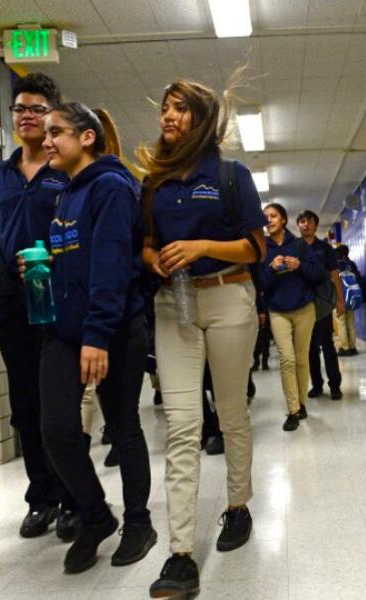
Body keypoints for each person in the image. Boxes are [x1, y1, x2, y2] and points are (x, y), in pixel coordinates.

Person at [138, 78, 266, 598]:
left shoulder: (232, 177)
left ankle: (238, 505)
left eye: (180, 109)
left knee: (232, 412)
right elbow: (146, 246)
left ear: (203, 119)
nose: (168, 116)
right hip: (175, 304)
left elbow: (255, 247)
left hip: (230, 298)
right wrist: (160, 259)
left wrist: (201, 246)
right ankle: (181, 554)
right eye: (166, 108)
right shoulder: (155, 183)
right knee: (184, 424)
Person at [34, 103, 155, 574]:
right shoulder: (66, 194)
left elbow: (109, 265)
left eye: (56, 132)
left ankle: (139, 522)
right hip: (64, 331)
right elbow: (75, 258)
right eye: (45, 133)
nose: (47, 141)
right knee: (56, 430)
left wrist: (98, 336)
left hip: (113, 329)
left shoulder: (111, 186)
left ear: (87, 137)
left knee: (123, 427)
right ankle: (96, 515)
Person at [0, 73, 80, 542]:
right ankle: (42, 498)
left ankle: (75, 497)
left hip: (59, 302)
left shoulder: (67, 170)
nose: (27, 117)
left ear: (54, 114)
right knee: (25, 406)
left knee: (61, 405)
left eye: (36, 109)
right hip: (11, 305)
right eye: (19, 109)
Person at [261, 203, 325, 431]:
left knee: (301, 359)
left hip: (304, 309)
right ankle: (293, 410)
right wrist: (270, 268)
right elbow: (259, 283)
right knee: (286, 359)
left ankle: (302, 403)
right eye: (266, 217)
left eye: (274, 215)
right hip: (278, 311)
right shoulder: (263, 249)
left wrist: (299, 266)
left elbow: (318, 274)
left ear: (284, 219)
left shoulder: (299, 245)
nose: (269, 220)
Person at [296, 210, 345, 400]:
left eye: (308, 221)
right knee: (309, 349)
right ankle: (316, 385)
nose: (305, 225)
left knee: (327, 345)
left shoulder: (325, 249)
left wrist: (340, 301)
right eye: (301, 221)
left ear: (315, 225)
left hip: (323, 304)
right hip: (302, 304)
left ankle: (335, 386)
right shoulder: (295, 247)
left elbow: (335, 276)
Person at [334, 244, 362, 356]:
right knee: (350, 322)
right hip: (351, 298)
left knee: (341, 323)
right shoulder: (351, 264)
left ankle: (344, 348)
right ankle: (352, 347)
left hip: (340, 298)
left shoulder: (336, 265)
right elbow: (358, 278)